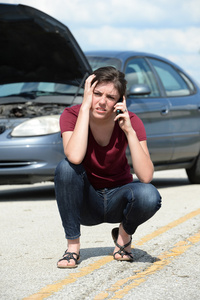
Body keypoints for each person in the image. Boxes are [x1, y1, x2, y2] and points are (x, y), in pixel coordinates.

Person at [54, 66, 161, 268]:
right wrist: (85, 108)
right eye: (96, 94)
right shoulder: (71, 115)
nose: (102, 102)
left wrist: (129, 131)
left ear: (120, 101)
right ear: (88, 92)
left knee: (149, 194)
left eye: (111, 97)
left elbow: (146, 176)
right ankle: (72, 248)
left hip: (118, 200)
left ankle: (123, 237)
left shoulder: (132, 122)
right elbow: (75, 157)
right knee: (65, 168)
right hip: (87, 203)